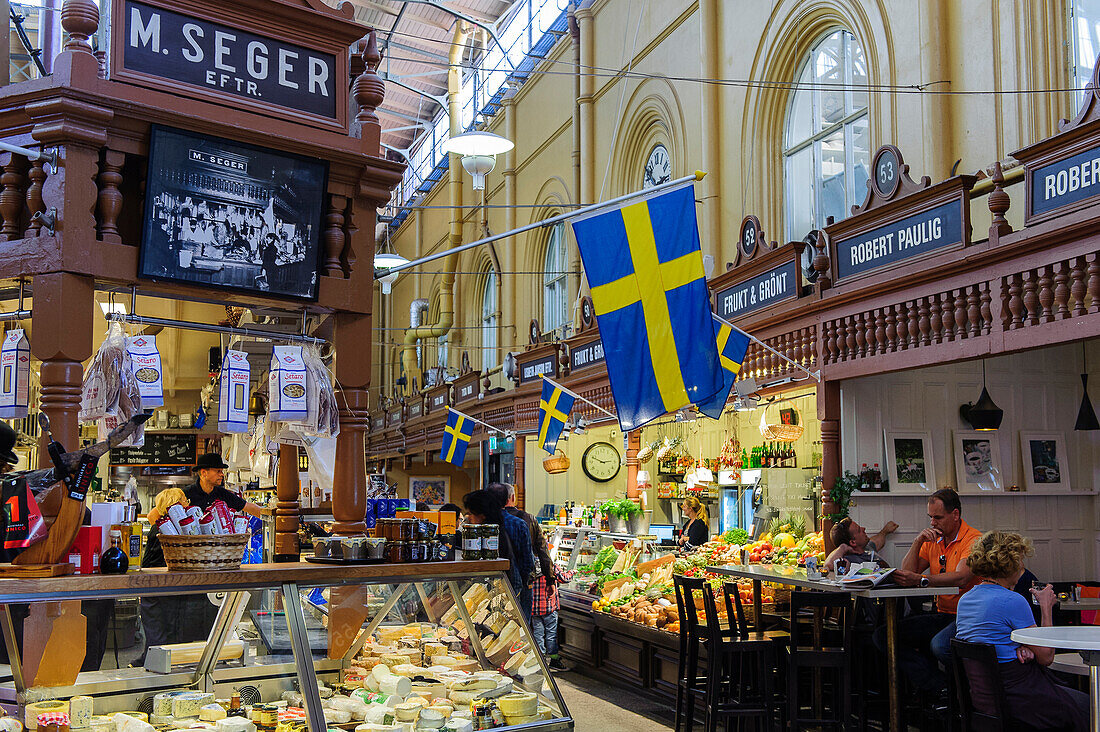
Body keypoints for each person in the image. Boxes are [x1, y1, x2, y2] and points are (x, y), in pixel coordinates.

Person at [955, 531, 1088, 731]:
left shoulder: (965, 600)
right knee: (1087, 705)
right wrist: (1046, 608)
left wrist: (1021, 648)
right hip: (1018, 699)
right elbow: (1046, 657)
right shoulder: (1012, 600)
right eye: (1020, 561)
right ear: (1010, 564)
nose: (1022, 569)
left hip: (984, 701)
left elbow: (992, 639)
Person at [881, 488, 982, 695]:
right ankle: (941, 687)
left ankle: (964, 691)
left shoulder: (973, 539)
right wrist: (918, 542)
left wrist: (923, 580)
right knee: (884, 636)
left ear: (955, 515)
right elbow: (908, 573)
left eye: (938, 517)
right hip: (942, 614)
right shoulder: (933, 539)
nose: (933, 523)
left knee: (938, 645)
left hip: (968, 617)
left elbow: (962, 576)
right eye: (930, 518)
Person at [462, 489, 535, 617]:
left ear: (482, 514)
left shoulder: (494, 533)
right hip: (507, 591)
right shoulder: (517, 523)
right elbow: (527, 562)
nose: (469, 518)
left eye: (471, 514)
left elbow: (525, 565)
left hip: (507, 593)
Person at [486, 482, 548, 622]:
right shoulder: (519, 523)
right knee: (519, 628)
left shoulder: (482, 523)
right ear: (510, 498)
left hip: (489, 585)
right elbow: (528, 560)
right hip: (517, 585)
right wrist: (527, 580)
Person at [824, 517, 899, 570]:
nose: (864, 528)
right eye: (859, 530)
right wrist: (843, 547)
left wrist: (885, 531)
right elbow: (830, 565)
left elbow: (877, 541)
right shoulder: (851, 560)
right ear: (853, 542)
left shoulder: (867, 548)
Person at [531, 564, 566, 670]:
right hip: (549, 608)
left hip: (534, 610)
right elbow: (564, 578)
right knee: (551, 636)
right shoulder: (551, 567)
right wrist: (573, 572)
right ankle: (554, 660)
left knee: (538, 635)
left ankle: (540, 662)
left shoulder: (530, 567)